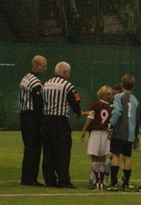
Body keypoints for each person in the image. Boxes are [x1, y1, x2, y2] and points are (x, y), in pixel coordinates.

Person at [41, 61, 82, 189]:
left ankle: (49, 180)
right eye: (68, 73)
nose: (69, 75)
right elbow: (75, 102)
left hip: (46, 120)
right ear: (64, 73)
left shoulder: (46, 84)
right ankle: (63, 180)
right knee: (63, 152)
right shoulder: (67, 85)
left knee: (48, 151)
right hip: (60, 122)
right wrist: (78, 112)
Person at [19, 55, 47, 186]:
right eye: (43, 66)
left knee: (28, 148)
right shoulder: (35, 83)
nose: (45, 69)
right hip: (31, 118)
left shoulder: (25, 78)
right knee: (34, 148)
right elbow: (37, 105)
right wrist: (41, 120)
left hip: (24, 116)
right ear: (35, 66)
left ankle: (26, 177)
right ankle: (30, 178)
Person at [108, 75, 139, 191]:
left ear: (122, 85)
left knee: (115, 155)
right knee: (127, 157)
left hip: (119, 130)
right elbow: (136, 118)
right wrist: (135, 135)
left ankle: (114, 184)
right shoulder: (135, 100)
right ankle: (125, 184)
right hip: (130, 132)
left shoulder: (118, 97)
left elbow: (117, 112)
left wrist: (111, 125)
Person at [80, 85, 113, 190]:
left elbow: (91, 117)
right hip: (105, 133)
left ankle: (94, 181)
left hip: (95, 133)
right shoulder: (110, 107)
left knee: (94, 157)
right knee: (103, 157)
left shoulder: (95, 104)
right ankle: (102, 182)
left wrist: (84, 130)